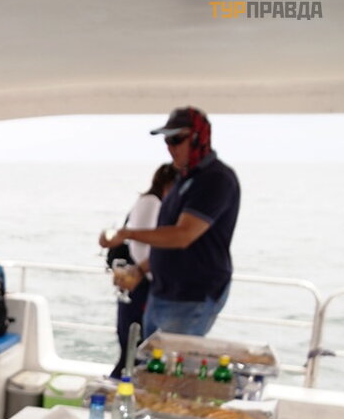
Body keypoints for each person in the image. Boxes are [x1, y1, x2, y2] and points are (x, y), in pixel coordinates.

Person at [99, 107, 240, 337]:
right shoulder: (183, 179)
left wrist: (127, 234)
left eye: (177, 139)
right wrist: (140, 269)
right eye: (167, 140)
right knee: (148, 355)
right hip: (163, 292)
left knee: (170, 359)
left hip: (191, 296)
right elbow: (166, 238)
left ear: (198, 137)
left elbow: (183, 235)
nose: (170, 147)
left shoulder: (215, 179)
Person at [107, 163, 178, 376]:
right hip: (140, 284)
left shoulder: (147, 202)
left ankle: (120, 388)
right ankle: (120, 390)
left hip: (137, 283)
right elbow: (150, 248)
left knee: (132, 349)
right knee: (135, 351)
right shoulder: (152, 204)